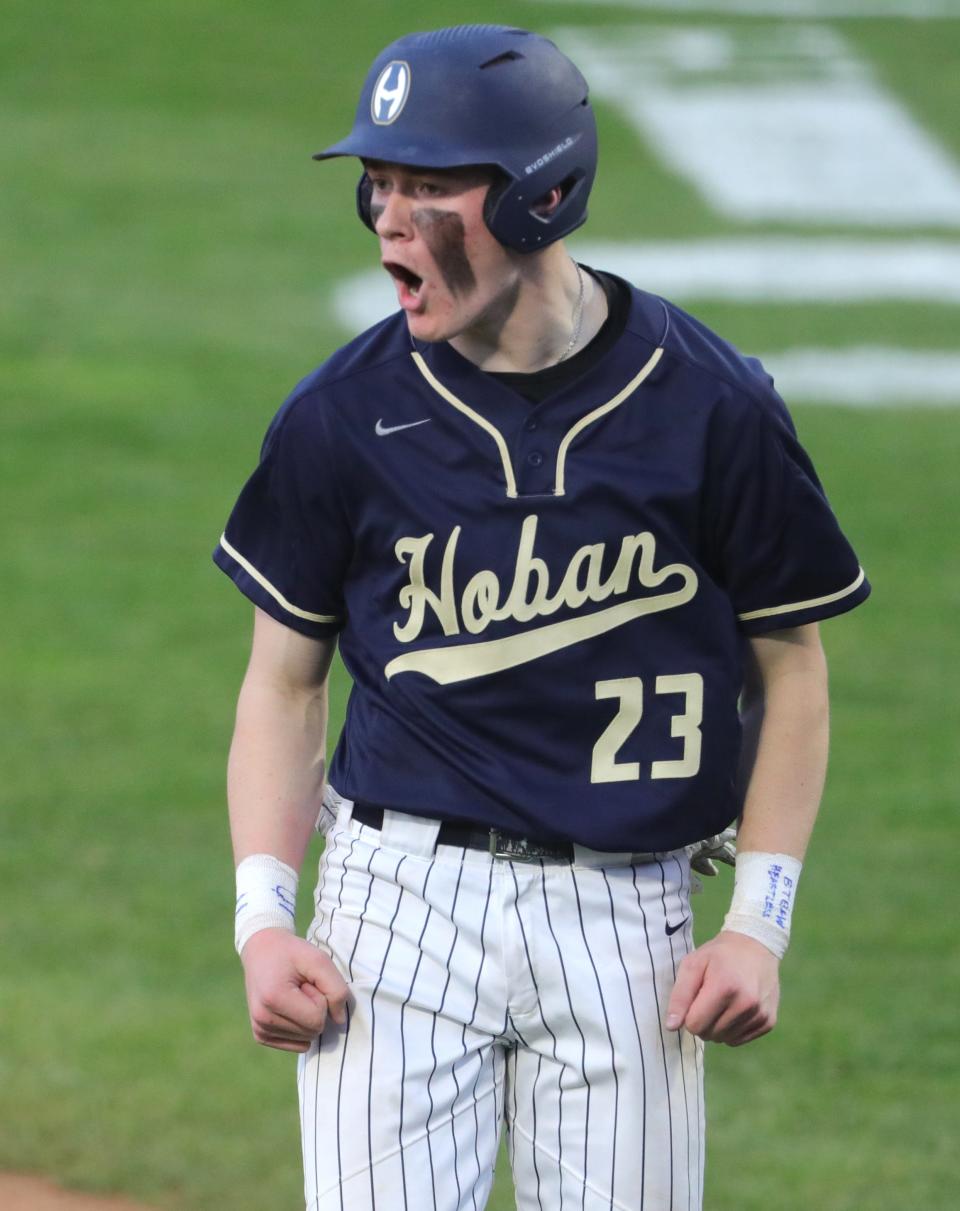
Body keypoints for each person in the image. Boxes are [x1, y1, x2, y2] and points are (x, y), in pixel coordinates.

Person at [214, 24, 870, 1211]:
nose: (387, 219)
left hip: (632, 924)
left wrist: (761, 922)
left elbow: (794, 669)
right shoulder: (343, 418)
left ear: (541, 195)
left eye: (430, 185)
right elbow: (284, 682)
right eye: (381, 183)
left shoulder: (712, 406)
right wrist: (266, 917)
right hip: (393, 911)